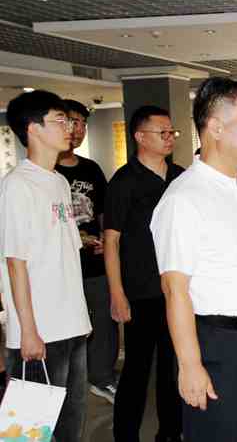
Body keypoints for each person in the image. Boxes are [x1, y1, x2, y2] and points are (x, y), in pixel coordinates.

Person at [151, 77, 237, 442]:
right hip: (223, 346)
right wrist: (189, 365)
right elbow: (175, 289)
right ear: (214, 127)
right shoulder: (184, 197)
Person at [0, 90, 92, 442]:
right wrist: (28, 330)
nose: (69, 128)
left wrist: (81, 318)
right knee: (28, 433)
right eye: (59, 120)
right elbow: (15, 262)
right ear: (33, 128)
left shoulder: (58, 181)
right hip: (40, 331)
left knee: (70, 425)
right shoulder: (17, 185)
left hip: (72, 324)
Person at [104, 105, 183, 442]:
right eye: (161, 132)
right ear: (139, 137)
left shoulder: (180, 176)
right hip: (140, 290)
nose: (169, 138)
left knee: (173, 365)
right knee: (137, 369)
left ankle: (170, 432)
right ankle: (126, 435)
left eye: (172, 132)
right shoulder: (124, 181)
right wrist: (117, 293)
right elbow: (111, 241)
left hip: (176, 288)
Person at [55, 99, 119, 405]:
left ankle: (102, 377)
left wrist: (106, 240)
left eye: (82, 123)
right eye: (72, 122)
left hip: (94, 263)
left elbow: (104, 211)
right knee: (66, 327)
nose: (78, 130)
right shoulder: (46, 172)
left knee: (104, 322)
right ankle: (66, 381)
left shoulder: (91, 168)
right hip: (61, 268)